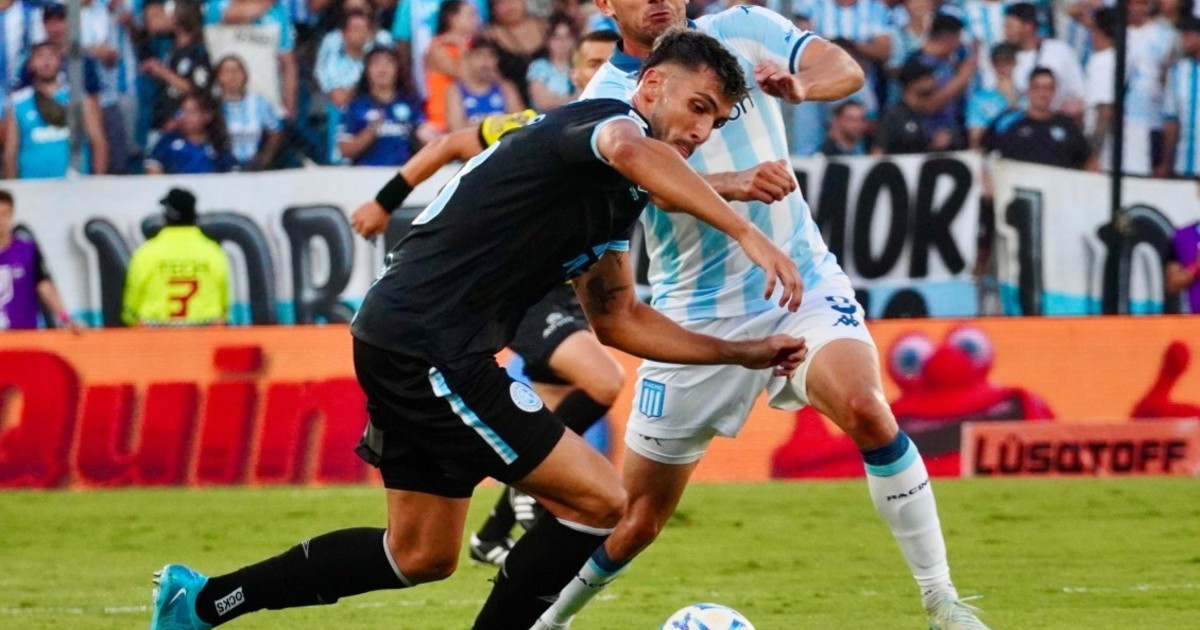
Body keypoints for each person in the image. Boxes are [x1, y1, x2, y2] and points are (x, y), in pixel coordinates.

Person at [148, 28, 807, 630]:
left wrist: (738, 352)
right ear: (653, 84)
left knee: (419, 554)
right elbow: (628, 149)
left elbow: (617, 318)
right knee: (602, 499)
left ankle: (200, 603)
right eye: (699, 107)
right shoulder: (607, 122)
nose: (702, 131)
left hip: (409, 339)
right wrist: (745, 230)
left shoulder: (617, 193)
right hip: (429, 343)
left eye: (715, 121)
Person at [534, 1, 994, 629]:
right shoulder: (603, 102)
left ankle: (944, 604)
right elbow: (635, 185)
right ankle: (548, 622)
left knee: (865, 407)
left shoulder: (740, 29)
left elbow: (844, 68)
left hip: (798, 279)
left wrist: (802, 86)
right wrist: (734, 183)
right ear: (605, 5)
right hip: (693, 313)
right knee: (636, 518)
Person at [123, 188, 231, 327]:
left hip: (156, 331)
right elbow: (224, 309)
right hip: (203, 330)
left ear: (166, 216)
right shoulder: (213, 252)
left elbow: (131, 311)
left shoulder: (146, 253)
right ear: (194, 214)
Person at [3, 42, 108, 178]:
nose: (46, 62)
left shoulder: (79, 99)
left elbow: (98, 143)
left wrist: (99, 181)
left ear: (60, 62)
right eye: (40, 56)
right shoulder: (18, 103)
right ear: (30, 64)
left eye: (51, 56)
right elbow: (10, 152)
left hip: (75, 183)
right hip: (31, 184)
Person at [338, 46, 437, 166]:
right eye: (376, 63)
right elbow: (344, 150)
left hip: (404, 172)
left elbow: (425, 140)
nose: (382, 69)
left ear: (397, 69)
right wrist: (370, 132)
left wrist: (423, 137)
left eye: (388, 63)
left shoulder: (412, 103)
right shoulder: (355, 106)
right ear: (367, 70)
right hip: (366, 173)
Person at [0, 189, 82, 332]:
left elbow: (44, 286)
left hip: (23, 336)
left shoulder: (27, 250)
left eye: (4, 214)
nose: (1, 220)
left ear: (12, 215)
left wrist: (64, 318)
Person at [983, 67, 1094, 170]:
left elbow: (1089, 160)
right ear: (1029, 90)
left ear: (1054, 91)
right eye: (1037, 87)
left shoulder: (1068, 126)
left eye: (1047, 88)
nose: (1042, 93)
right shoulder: (1008, 121)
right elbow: (982, 151)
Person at [1085, 7, 1153, 175]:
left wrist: (1094, 155)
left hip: (1111, 159)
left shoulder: (1103, 61)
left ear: (1098, 30)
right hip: (1137, 156)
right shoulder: (1129, 58)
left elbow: (1106, 110)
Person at [204, 0, 298, 119]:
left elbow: (288, 64)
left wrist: (289, 107)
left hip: (265, 107)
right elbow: (231, 15)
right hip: (220, 107)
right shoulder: (216, 4)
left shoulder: (278, 12)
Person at [139, 4, 212, 142]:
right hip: (160, 122)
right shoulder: (170, 47)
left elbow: (195, 88)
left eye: (170, 13)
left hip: (180, 128)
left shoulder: (197, 52)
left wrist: (162, 71)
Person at [903, 13, 976, 151]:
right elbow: (927, 105)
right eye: (958, 38)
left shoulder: (948, 62)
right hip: (924, 141)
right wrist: (963, 77)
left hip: (952, 136)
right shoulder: (917, 64)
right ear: (949, 38)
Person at [1004, 2, 1085, 115]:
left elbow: (1078, 90)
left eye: (1010, 26)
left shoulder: (1059, 50)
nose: (1006, 31)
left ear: (1028, 26)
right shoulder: (1006, 59)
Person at [214, 55, 284, 170]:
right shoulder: (212, 106)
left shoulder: (259, 102)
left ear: (245, 75)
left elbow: (276, 130)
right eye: (226, 71)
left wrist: (265, 157)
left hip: (254, 168)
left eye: (237, 70)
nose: (232, 75)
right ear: (218, 78)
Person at [145, 92, 238, 174]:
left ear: (207, 115)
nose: (186, 117)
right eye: (183, 111)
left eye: (192, 112)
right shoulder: (168, 140)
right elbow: (152, 166)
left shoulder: (217, 144)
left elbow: (232, 172)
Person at [423, 0, 481, 130]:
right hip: (443, 119)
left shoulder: (475, 45)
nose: (477, 20)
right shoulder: (438, 47)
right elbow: (465, 75)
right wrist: (461, 46)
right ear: (452, 19)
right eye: (471, 15)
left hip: (473, 114)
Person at [446, 37, 524, 131]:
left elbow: (519, 122)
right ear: (468, 59)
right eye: (478, 55)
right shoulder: (456, 90)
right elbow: (456, 128)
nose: (485, 61)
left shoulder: (506, 87)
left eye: (490, 55)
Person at [873, 59, 943, 154]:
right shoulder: (894, 115)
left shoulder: (927, 112)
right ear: (912, 83)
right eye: (926, 78)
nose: (933, 81)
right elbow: (878, 149)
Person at [1160, 16, 1200, 178]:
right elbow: (1171, 121)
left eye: (1188, 34)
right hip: (1184, 164)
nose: (1184, 40)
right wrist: (1166, 162)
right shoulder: (1177, 72)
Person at [966, 42, 1019, 149]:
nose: (1003, 67)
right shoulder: (980, 99)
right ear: (993, 65)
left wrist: (1013, 99)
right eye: (998, 62)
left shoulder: (1028, 97)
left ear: (1014, 63)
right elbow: (975, 138)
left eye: (1007, 61)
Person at [526, 13, 577, 111]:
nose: (563, 42)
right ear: (547, 41)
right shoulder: (538, 67)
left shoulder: (580, 66)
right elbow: (544, 103)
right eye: (557, 37)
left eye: (567, 37)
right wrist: (575, 98)